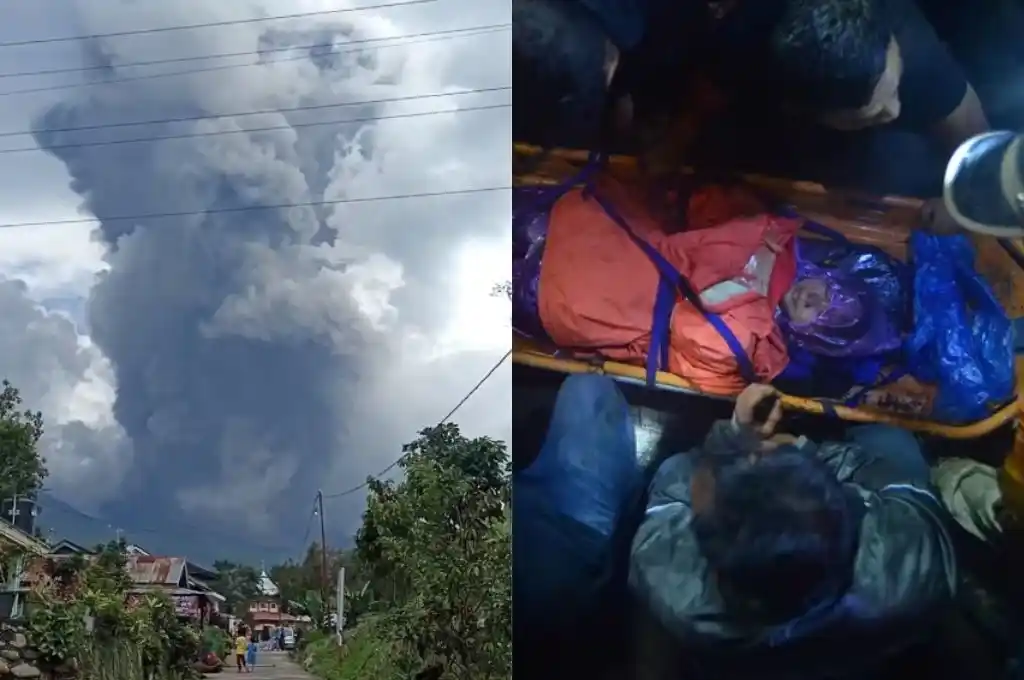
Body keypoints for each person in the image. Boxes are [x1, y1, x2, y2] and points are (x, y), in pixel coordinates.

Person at [629, 383, 957, 679]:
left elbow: (676, 479)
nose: (761, 450)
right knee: (891, 440)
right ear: (852, 517)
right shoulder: (912, 565)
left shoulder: (671, 584)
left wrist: (731, 438)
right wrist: (802, 451)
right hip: (857, 654)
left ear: (713, 565)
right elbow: (896, 483)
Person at [692, 0, 989, 212]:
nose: (894, 109)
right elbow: (705, 96)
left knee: (899, 162)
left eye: (892, 91)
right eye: (868, 115)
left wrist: (960, 205)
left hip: (890, 141)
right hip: (788, 113)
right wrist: (671, 150)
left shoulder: (917, 54)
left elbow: (974, 134)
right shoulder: (748, 37)